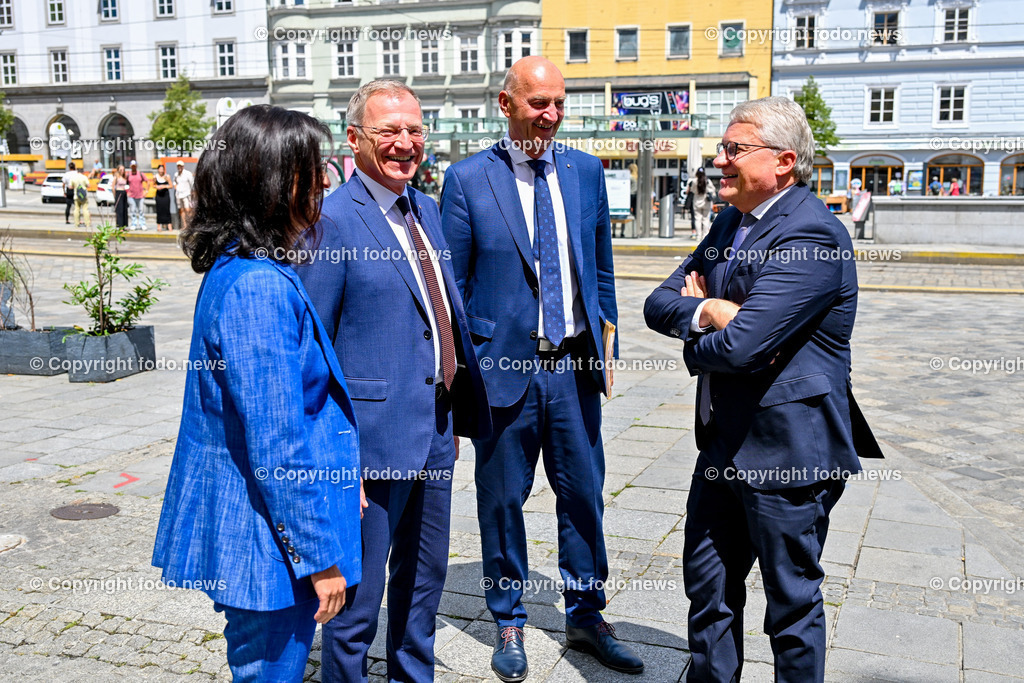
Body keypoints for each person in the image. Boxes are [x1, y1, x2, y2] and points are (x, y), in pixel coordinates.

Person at [644, 96, 883, 683]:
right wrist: (710, 312)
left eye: (734, 149)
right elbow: (657, 304)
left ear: (782, 161)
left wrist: (707, 324)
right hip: (722, 444)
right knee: (708, 586)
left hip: (788, 453)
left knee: (791, 604)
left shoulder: (812, 234)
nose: (719, 160)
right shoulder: (729, 221)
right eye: (722, 148)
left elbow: (743, 348)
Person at [440, 56, 643, 681]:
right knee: (502, 501)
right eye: (538, 104)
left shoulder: (584, 171)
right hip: (505, 372)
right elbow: (454, 284)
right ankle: (507, 616)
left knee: (583, 495)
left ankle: (586, 613)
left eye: (559, 102)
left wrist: (607, 344)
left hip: (575, 367)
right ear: (507, 105)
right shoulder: (469, 178)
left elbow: (600, 264)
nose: (551, 115)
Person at [152, 105, 362, 683]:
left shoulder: (243, 267)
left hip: (265, 531)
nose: (324, 180)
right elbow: (276, 443)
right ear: (270, 180)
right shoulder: (257, 289)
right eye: (311, 168)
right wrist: (321, 560)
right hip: (267, 546)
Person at [297, 80, 491, 683]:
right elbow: (312, 356)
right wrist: (335, 459)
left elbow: (436, 317)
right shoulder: (330, 222)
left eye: (415, 130)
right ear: (355, 140)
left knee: (424, 583)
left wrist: (452, 405)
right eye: (390, 132)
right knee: (357, 603)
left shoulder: (424, 209)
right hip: (369, 445)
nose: (406, 143)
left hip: (434, 429)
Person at [686, 167, 716, 242]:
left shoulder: (694, 181)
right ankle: (705, 236)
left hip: (697, 202)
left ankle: (698, 236)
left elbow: (692, 190)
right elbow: (712, 190)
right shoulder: (707, 181)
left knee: (697, 219)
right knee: (706, 219)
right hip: (706, 202)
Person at [65, 164, 91, 228]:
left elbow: (70, 187)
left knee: (76, 209)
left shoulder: (73, 178)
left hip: (76, 196)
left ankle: (76, 224)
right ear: (82, 171)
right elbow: (88, 185)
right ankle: (87, 224)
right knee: (85, 209)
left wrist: (76, 187)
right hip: (84, 196)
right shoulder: (84, 177)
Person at [126, 160, 148, 230]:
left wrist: (146, 191)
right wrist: (127, 192)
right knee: (133, 210)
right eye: (132, 166)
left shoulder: (140, 174)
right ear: (130, 166)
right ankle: (133, 224)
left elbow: (147, 181)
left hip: (140, 195)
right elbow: (125, 183)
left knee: (141, 210)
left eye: (134, 166)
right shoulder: (128, 174)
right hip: (131, 195)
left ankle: (142, 224)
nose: (133, 167)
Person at [174, 160, 196, 229]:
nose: (179, 167)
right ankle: (184, 225)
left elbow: (192, 183)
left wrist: (192, 192)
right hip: (179, 194)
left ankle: (190, 225)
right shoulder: (176, 174)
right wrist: (176, 187)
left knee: (188, 210)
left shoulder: (187, 173)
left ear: (183, 166)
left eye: (180, 166)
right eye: (178, 166)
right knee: (181, 210)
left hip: (187, 194)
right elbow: (174, 182)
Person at [153, 164, 173, 231]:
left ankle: (169, 225)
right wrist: (157, 187)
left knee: (166, 209)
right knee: (159, 210)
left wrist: (164, 186)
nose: (161, 170)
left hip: (165, 195)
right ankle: (159, 225)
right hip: (159, 195)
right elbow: (153, 185)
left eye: (162, 169)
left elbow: (171, 185)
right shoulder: (155, 177)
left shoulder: (167, 176)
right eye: (160, 169)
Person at [112, 165, 129, 229]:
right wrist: (115, 195)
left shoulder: (125, 177)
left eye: (123, 170)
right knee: (120, 210)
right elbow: (113, 187)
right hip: (118, 192)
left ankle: (124, 225)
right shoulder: (116, 177)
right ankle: (120, 225)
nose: (122, 171)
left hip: (124, 192)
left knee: (125, 209)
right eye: (121, 170)